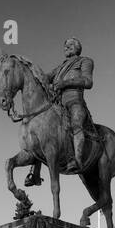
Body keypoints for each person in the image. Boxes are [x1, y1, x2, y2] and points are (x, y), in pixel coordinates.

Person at [48, 37, 94, 173]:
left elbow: (88, 82)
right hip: (58, 105)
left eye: (70, 45)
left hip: (75, 101)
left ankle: (77, 160)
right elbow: (43, 78)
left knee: (75, 124)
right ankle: (35, 172)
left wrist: (65, 83)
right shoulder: (59, 68)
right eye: (65, 46)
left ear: (77, 48)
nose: (66, 47)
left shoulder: (85, 61)